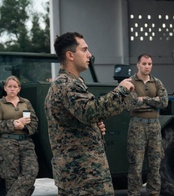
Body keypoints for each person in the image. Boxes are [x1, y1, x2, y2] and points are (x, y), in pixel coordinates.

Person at [44, 32, 136, 195]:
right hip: (83, 177)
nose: (90, 55)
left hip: (83, 175)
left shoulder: (71, 83)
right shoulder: (67, 84)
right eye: (84, 50)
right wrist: (120, 91)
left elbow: (83, 117)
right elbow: (90, 112)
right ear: (70, 55)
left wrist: (94, 126)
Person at [127, 54, 168, 196]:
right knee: (136, 165)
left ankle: (154, 193)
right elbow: (130, 104)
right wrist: (153, 101)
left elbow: (164, 102)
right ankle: (134, 194)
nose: (147, 66)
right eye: (144, 63)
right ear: (138, 65)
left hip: (154, 127)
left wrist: (143, 99)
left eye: (149, 64)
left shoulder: (156, 83)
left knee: (155, 165)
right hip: (137, 126)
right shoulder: (130, 82)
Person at [0, 76, 38, 196]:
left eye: (15, 86)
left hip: (26, 142)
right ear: (5, 88)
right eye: (9, 86)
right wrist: (14, 124)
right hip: (8, 144)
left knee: (31, 171)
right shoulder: (1, 104)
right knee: (11, 176)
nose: (12, 89)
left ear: (19, 89)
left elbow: (34, 121)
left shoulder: (25, 102)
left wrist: (24, 127)